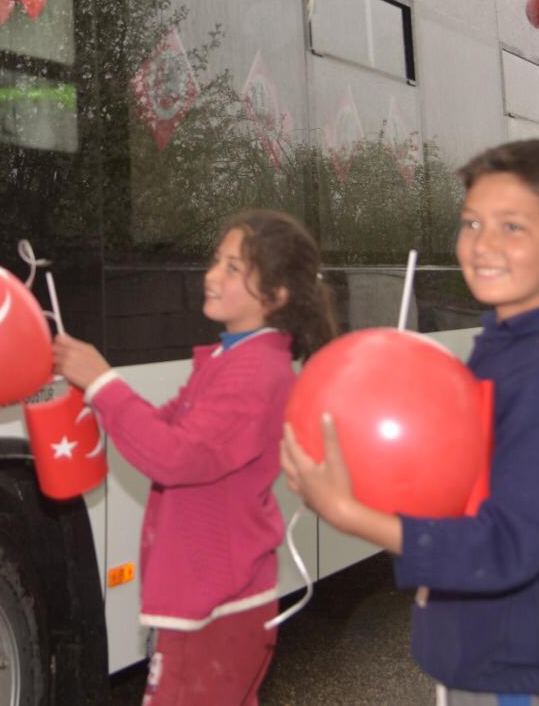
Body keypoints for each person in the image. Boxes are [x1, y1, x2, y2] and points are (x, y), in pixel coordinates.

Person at [280, 139, 539, 706]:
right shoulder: (506, 350)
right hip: (492, 658)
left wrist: (348, 513)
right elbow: (466, 487)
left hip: (518, 677)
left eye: (512, 226)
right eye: (471, 223)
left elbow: (510, 546)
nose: (482, 244)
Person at [53, 210, 336, 705]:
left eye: (233, 268)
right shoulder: (235, 357)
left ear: (276, 295)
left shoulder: (254, 372)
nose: (212, 275)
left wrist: (101, 381)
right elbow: (167, 428)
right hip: (217, 600)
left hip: (216, 608)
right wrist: (95, 393)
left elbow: (174, 456)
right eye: (216, 260)